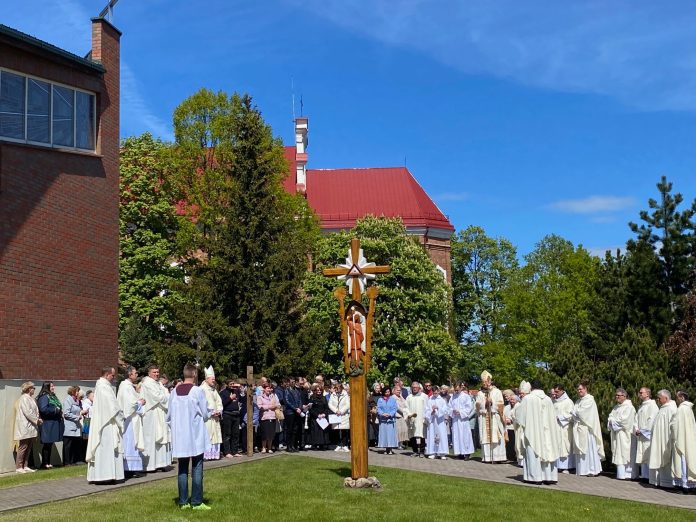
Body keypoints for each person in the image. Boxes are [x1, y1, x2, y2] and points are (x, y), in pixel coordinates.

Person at [168, 363, 212, 511]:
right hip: (194, 436)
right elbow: (205, 413)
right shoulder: (197, 391)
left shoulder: (174, 391)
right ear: (194, 374)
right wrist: (209, 414)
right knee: (197, 468)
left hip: (180, 436)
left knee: (182, 469)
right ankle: (197, 502)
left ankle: (183, 501)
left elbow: (169, 415)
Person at [515, 380, 560, 485]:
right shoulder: (548, 399)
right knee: (548, 450)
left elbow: (519, 416)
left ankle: (534, 477)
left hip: (533, 432)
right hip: (547, 433)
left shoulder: (528, 399)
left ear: (531, 388)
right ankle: (549, 477)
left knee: (534, 452)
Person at [86, 367, 125, 483]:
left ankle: (106, 475)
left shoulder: (102, 386)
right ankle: (105, 476)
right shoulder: (104, 387)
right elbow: (113, 407)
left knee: (105, 449)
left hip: (105, 421)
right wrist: (121, 417)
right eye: (113, 376)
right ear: (107, 374)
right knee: (106, 449)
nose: (114, 378)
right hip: (106, 423)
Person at [140, 364, 171, 471]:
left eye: (158, 372)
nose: (156, 374)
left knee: (160, 437)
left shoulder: (157, 383)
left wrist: (166, 397)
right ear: (149, 373)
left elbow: (166, 394)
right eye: (154, 372)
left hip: (159, 413)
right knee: (151, 439)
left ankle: (160, 463)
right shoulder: (148, 383)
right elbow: (158, 397)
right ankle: (149, 465)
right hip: (151, 414)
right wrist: (166, 398)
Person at [118, 365, 146, 474]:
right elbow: (129, 405)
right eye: (135, 373)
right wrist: (140, 402)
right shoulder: (125, 386)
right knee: (130, 443)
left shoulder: (129, 386)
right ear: (130, 374)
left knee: (133, 442)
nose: (137, 374)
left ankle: (133, 468)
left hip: (133, 419)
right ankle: (129, 468)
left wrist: (139, 398)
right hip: (129, 420)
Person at [572, 381, 605, 477]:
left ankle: (592, 469)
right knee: (580, 450)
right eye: (578, 389)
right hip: (579, 427)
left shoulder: (589, 400)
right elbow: (574, 412)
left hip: (587, 429)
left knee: (589, 450)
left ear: (585, 389)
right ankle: (582, 470)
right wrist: (576, 413)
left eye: (581, 389)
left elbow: (582, 413)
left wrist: (576, 413)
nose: (579, 391)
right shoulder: (578, 401)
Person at [649, 389, 678, 488]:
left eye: (659, 398)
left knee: (666, 459)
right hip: (658, 439)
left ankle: (668, 483)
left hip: (666, 440)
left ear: (666, 398)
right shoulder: (662, 408)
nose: (657, 399)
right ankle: (660, 481)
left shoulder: (671, 409)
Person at [475, 371, 506, 463]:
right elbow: (477, 406)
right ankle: (487, 457)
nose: (486, 384)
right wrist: (485, 403)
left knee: (495, 436)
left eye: (487, 382)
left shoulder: (497, 392)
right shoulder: (480, 393)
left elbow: (501, 405)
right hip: (484, 418)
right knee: (485, 436)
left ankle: (497, 457)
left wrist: (492, 403)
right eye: (484, 382)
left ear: (490, 381)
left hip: (494, 418)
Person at [607, 387, 635, 480]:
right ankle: (620, 474)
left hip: (624, 435)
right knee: (617, 452)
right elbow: (610, 417)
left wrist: (613, 420)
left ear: (625, 396)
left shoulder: (629, 407)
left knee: (624, 453)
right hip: (616, 434)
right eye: (616, 395)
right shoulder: (616, 407)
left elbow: (624, 421)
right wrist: (611, 420)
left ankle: (626, 474)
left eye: (619, 395)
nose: (617, 397)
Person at [631, 387, 659, 482]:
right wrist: (636, 429)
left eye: (641, 392)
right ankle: (644, 476)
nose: (639, 394)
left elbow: (652, 420)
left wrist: (643, 430)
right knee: (642, 455)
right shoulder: (641, 406)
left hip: (647, 436)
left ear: (647, 394)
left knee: (648, 455)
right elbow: (636, 420)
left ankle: (650, 477)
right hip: (641, 435)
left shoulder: (652, 405)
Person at [13, 381, 40, 473]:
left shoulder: (31, 399)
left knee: (29, 447)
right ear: (29, 389)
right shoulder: (24, 398)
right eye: (33, 388)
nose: (34, 390)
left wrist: (37, 419)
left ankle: (25, 465)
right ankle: (18, 467)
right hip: (25, 425)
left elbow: (35, 411)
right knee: (23, 446)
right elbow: (27, 412)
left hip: (31, 426)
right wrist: (37, 420)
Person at [672, 390, 696, 491]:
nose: (677, 400)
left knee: (682, 462)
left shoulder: (681, 409)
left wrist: (671, 425)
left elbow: (675, 425)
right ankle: (692, 485)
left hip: (681, 439)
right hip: (689, 438)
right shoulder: (689, 409)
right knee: (689, 460)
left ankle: (685, 485)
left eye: (677, 397)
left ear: (682, 397)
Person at [36, 381, 64, 468]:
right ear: (46, 387)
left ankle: (48, 462)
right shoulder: (44, 397)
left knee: (50, 444)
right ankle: (44, 463)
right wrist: (55, 409)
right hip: (47, 424)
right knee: (47, 444)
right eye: (51, 386)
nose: (53, 387)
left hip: (53, 423)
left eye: (53, 386)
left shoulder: (52, 396)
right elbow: (43, 409)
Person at [200, 366, 223, 460]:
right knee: (208, 435)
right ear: (207, 379)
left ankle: (214, 455)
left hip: (215, 417)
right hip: (207, 418)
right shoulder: (201, 389)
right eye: (212, 379)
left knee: (216, 435)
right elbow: (201, 404)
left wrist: (219, 411)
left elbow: (219, 401)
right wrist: (211, 412)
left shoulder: (214, 389)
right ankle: (206, 455)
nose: (214, 381)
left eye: (214, 379)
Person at [551, 384, 575, 473]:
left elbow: (571, 415)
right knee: (557, 445)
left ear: (562, 391)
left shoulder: (568, 402)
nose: (555, 394)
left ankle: (567, 466)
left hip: (565, 428)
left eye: (557, 392)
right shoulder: (554, 401)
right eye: (555, 392)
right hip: (555, 428)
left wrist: (560, 417)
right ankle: (557, 465)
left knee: (565, 445)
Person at [62, 386, 87, 466]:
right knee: (68, 445)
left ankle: (74, 461)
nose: (78, 393)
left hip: (76, 426)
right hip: (69, 426)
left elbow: (77, 411)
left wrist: (82, 412)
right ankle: (67, 462)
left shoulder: (78, 401)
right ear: (73, 392)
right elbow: (66, 414)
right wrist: (77, 417)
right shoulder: (68, 400)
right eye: (77, 391)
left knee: (75, 445)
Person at [449, 382, 474, 459]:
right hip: (456, 420)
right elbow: (449, 407)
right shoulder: (452, 397)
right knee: (457, 436)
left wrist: (460, 412)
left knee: (465, 436)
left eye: (457, 389)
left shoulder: (466, 396)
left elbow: (469, 407)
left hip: (463, 420)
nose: (456, 391)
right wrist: (452, 411)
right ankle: (459, 452)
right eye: (455, 390)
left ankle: (467, 453)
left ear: (461, 388)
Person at [424, 386, 449, 459]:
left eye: (436, 392)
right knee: (432, 435)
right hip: (432, 421)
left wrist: (438, 408)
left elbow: (445, 410)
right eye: (434, 393)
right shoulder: (430, 400)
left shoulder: (442, 400)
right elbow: (426, 410)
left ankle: (442, 453)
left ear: (438, 391)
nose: (435, 394)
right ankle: (432, 452)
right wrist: (431, 412)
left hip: (440, 421)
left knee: (441, 435)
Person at [220, 379, 243, 457]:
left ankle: (235, 451)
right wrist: (230, 398)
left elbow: (242, 400)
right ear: (227, 385)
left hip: (236, 414)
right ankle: (227, 452)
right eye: (231, 384)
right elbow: (222, 404)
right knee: (227, 434)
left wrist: (241, 390)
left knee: (236, 434)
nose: (232, 385)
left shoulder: (236, 391)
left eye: (233, 384)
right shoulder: (223, 393)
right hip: (227, 415)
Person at [406, 382, 428, 457]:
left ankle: (422, 451)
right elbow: (406, 408)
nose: (415, 388)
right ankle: (415, 451)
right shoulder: (409, 397)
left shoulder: (424, 396)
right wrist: (409, 415)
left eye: (416, 387)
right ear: (411, 388)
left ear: (419, 388)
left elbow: (427, 408)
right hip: (412, 419)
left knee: (422, 434)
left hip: (421, 418)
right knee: (412, 435)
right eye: (413, 387)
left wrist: (425, 417)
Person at [257, 382, 280, 453]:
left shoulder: (273, 396)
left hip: (272, 417)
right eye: (268, 388)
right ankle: (264, 447)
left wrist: (274, 406)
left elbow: (278, 404)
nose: (269, 390)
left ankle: (269, 448)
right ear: (264, 389)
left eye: (270, 388)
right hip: (264, 417)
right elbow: (260, 406)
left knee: (271, 434)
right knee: (264, 434)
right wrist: (270, 406)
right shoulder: (260, 397)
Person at [328, 382, 350, 452]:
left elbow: (347, 404)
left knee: (344, 430)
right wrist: (336, 410)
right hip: (336, 415)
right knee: (336, 430)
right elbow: (330, 404)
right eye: (335, 388)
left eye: (337, 388)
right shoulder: (333, 395)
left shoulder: (345, 394)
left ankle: (344, 445)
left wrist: (341, 411)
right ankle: (338, 445)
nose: (336, 389)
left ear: (341, 388)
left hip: (343, 415)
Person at [308, 384, 331, 449]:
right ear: (315, 391)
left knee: (323, 431)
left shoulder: (324, 398)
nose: (319, 391)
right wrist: (317, 415)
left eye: (320, 390)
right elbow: (310, 409)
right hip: (315, 417)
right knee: (316, 431)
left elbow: (327, 408)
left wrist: (324, 414)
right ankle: (315, 445)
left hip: (323, 417)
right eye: (317, 390)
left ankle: (322, 445)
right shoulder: (312, 397)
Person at [377, 387, 398, 455]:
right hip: (383, 420)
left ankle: (390, 449)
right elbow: (379, 408)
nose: (387, 393)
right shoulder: (380, 399)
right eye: (386, 392)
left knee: (390, 435)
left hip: (390, 420)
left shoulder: (393, 399)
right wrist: (383, 414)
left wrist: (390, 414)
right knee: (385, 435)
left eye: (388, 392)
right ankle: (386, 449)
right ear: (383, 392)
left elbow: (395, 408)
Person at [393, 386, 410, 450]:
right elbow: (397, 407)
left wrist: (406, 411)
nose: (399, 391)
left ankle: (401, 443)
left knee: (403, 430)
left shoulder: (401, 397)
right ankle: (397, 444)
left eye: (400, 390)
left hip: (403, 416)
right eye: (397, 390)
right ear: (394, 391)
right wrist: (405, 412)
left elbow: (406, 404)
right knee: (398, 431)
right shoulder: (393, 398)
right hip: (397, 416)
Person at [503, 391, 518, 463]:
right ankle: (508, 456)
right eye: (511, 399)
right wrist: (505, 419)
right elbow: (503, 414)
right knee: (508, 443)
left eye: (513, 400)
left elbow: (518, 416)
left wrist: (511, 421)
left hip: (514, 427)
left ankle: (513, 457)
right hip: (507, 428)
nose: (511, 401)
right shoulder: (507, 407)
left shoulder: (518, 406)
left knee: (513, 443)